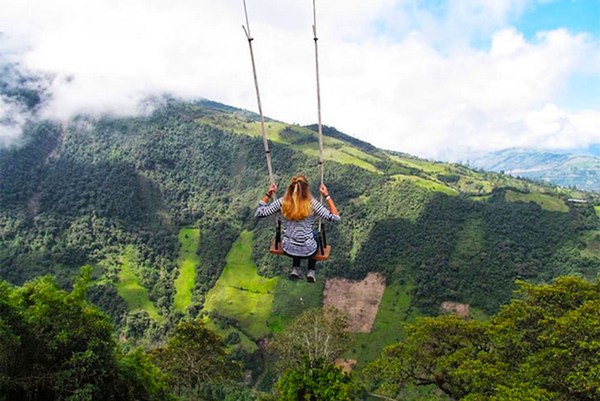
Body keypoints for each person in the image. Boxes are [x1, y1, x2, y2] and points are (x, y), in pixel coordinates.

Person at [255, 175, 340, 282]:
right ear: (306, 190)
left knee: (295, 235)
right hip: (309, 250)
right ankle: (311, 270)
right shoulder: (312, 204)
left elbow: (259, 213)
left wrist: (268, 194)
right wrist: (327, 196)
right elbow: (336, 218)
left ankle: (295, 268)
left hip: (288, 248)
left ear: (289, 188)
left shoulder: (282, 202)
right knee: (315, 234)